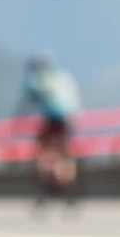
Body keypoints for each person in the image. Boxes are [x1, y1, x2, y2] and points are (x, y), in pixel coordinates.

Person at [17, 53, 82, 199]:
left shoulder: (37, 79)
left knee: (44, 152)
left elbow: (27, 103)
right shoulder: (63, 77)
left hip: (52, 119)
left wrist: (19, 121)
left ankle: (49, 184)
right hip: (67, 119)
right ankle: (67, 183)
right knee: (64, 152)